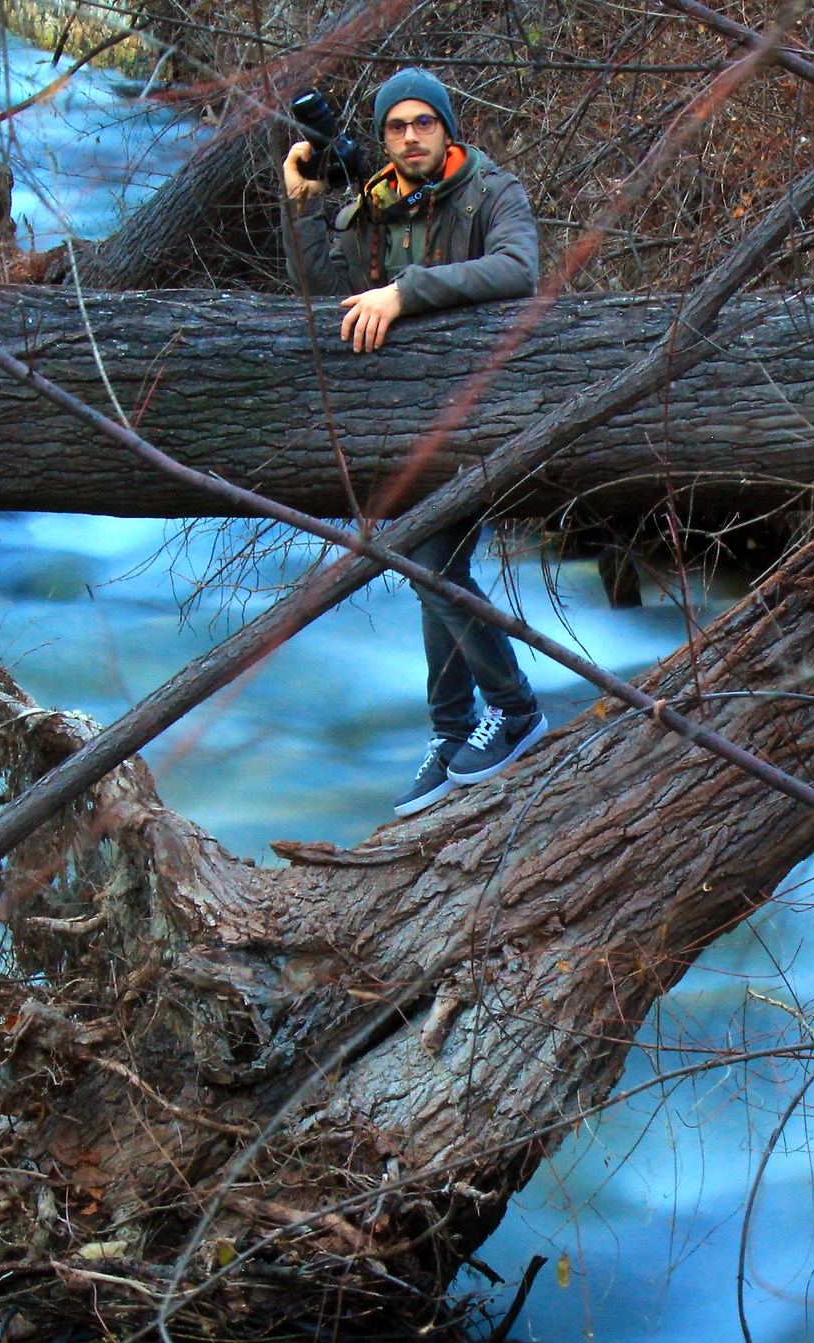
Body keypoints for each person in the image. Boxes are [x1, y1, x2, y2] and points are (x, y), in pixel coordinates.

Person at [283, 67, 546, 816]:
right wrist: (306, 205)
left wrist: (405, 293)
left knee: (432, 558)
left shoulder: (494, 192)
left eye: (421, 124)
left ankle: (513, 708)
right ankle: (456, 727)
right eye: (395, 127)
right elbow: (318, 290)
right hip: (408, 419)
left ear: (446, 127)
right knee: (431, 557)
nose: (408, 138)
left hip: (489, 411)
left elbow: (519, 269)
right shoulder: (377, 202)